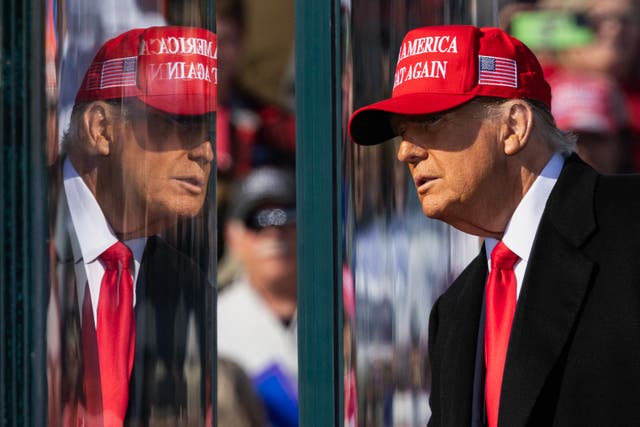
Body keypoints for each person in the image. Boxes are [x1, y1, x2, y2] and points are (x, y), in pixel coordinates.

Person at [349, 24, 640, 426]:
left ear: (514, 127)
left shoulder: (629, 223)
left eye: (430, 121)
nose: (406, 152)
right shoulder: (454, 313)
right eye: (402, 132)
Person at [47, 26, 217, 427]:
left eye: (207, 128)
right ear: (101, 129)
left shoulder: (189, 288)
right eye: (178, 121)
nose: (205, 151)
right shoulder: (15, 236)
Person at [217, 166, 298, 427]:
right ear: (233, 237)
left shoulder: (345, 306)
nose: (273, 232)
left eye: (285, 216)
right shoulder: (215, 323)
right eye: (256, 220)